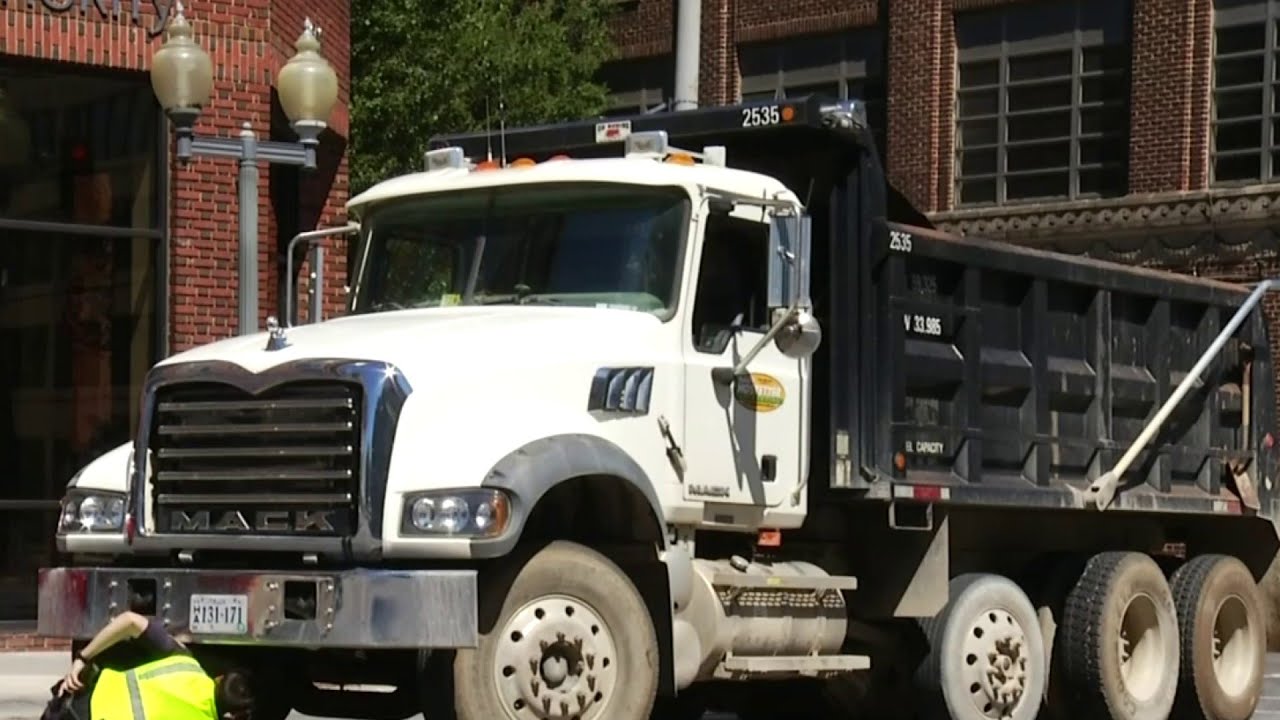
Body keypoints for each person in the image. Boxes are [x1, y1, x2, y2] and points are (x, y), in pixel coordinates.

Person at [55, 610, 254, 720]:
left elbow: (130, 620)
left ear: (219, 678)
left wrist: (82, 658)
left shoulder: (184, 660)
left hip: (73, 704)